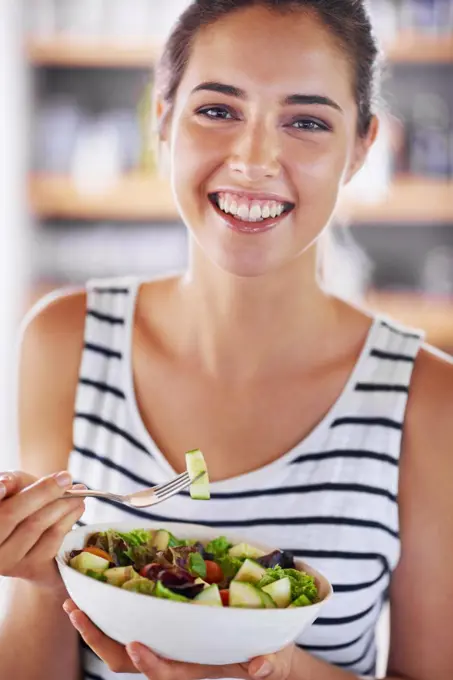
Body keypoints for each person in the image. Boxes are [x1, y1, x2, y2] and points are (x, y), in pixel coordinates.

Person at [1, 1, 452, 679]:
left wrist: (277, 670)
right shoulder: (64, 340)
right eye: (217, 110)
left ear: (360, 147)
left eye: (304, 121)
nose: (253, 159)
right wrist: (37, 575)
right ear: (160, 119)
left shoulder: (427, 398)